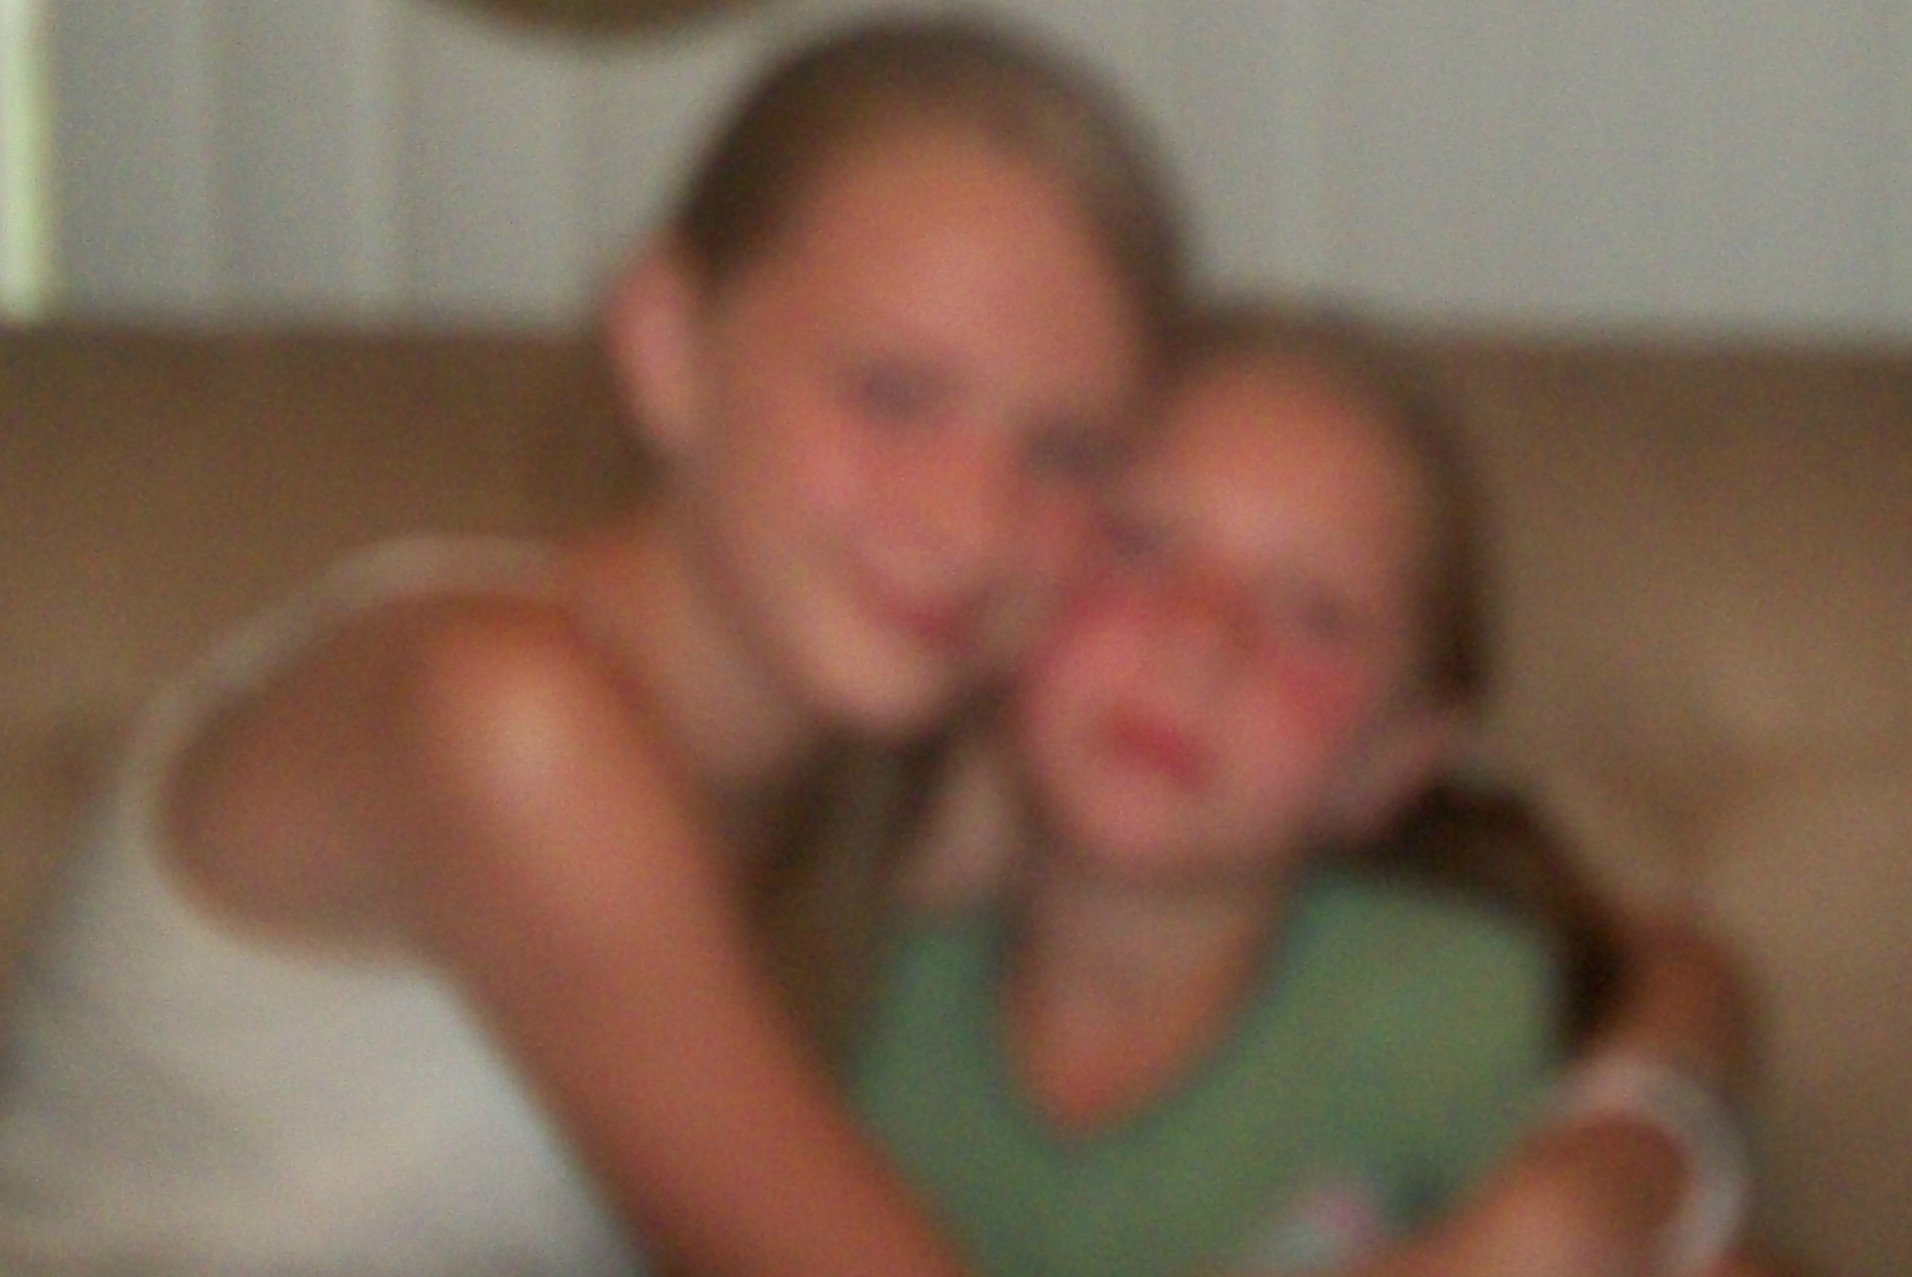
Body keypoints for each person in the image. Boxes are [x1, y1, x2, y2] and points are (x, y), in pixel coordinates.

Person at [0, 15, 1185, 1277]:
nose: (972, 522)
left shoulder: (869, 786)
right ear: (667, 346)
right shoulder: (500, 720)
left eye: (1064, 452)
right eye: (892, 394)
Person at [854, 302, 1757, 1277]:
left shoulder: (1441, 1004)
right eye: (1138, 543)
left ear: (1391, 760)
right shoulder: (847, 965)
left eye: (1313, 615)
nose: (1199, 636)